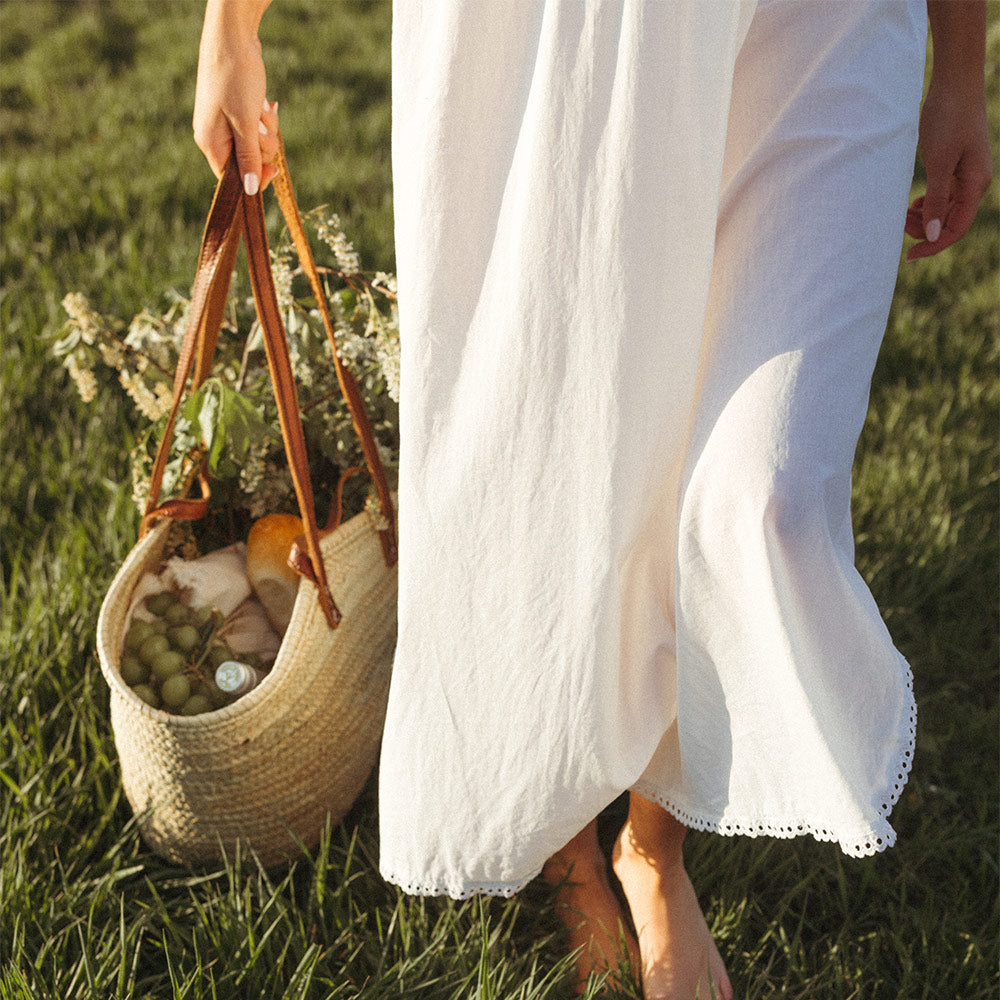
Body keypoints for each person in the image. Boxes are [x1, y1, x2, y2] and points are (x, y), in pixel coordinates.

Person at [194, 1, 991, 997]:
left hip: (828, 22)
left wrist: (961, 63)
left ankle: (652, 847)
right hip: (556, 32)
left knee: (763, 496)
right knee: (547, 454)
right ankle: (573, 847)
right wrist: (232, 25)